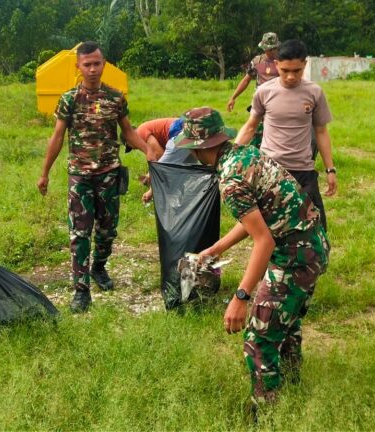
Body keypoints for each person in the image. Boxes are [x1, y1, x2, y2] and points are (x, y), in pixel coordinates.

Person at [176, 107, 329, 411]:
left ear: (199, 147)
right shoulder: (246, 155)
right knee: (284, 323)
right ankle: (292, 385)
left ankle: (265, 412)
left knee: (259, 339)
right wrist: (214, 250)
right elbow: (256, 221)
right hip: (313, 245)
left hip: (295, 256)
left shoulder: (231, 179)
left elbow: (264, 240)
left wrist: (241, 296)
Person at [37, 41, 160, 313]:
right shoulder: (69, 99)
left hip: (108, 174)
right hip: (79, 176)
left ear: (104, 64)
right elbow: (57, 137)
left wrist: (147, 149)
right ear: (78, 67)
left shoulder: (116, 98)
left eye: (97, 63)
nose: (93, 69)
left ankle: (99, 268)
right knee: (79, 233)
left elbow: (127, 132)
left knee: (107, 230)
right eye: (87, 64)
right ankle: (81, 290)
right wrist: (44, 173)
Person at [236, 39, 336, 231]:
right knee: (269, 229)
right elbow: (250, 127)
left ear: (305, 65)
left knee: (315, 229)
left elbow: (321, 132)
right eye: (285, 70)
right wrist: (230, 157)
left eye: (297, 71)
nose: (290, 76)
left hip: (303, 170)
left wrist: (330, 169)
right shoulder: (264, 92)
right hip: (269, 170)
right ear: (276, 65)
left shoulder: (314, 92)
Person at [227, 32, 281, 148]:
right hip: (259, 104)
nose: (271, 51)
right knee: (254, 132)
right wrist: (233, 97)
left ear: (277, 47)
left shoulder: (282, 62)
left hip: (277, 105)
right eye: (268, 49)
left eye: (273, 49)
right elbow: (246, 80)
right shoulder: (257, 62)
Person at [135, 117, 192, 203]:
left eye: (131, 147)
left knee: (174, 168)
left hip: (182, 132)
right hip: (188, 128)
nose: (135, 148)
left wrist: (151, 191)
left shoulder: (140, 133)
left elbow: (160, 158)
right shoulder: (144, 128)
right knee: (187, 169)